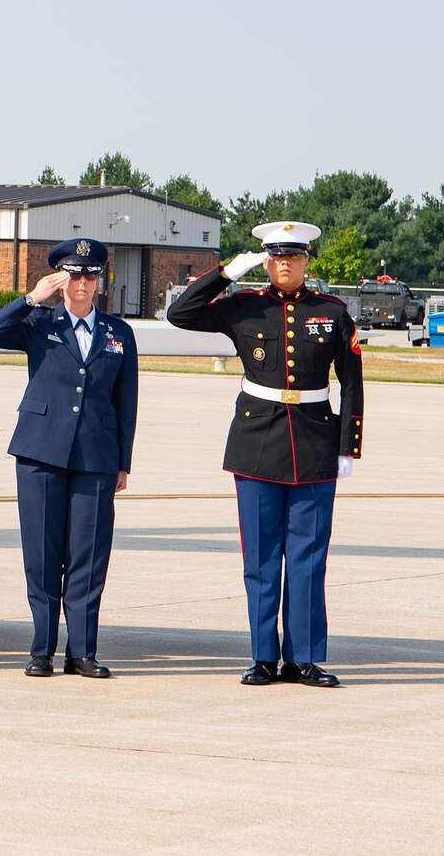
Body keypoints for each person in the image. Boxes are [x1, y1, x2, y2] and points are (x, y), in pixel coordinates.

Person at [167, 221, 363, 688]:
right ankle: (262, 657)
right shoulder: (242, 308)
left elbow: (352, 382)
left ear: (306, 262)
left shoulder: (332, 312)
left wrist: (347, 446)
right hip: (256, 444)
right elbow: (181, 312)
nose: (284, 265)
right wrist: (226, 274)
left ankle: (305, 659)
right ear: (266, 261)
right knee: (260, 560)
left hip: (315, 442)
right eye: (275, 257)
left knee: (308, 559)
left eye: (293, 257)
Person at [0, 239, 137, 679]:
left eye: (89, 275)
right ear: (60, 278)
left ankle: (82, 651)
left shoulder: (118, 332)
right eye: (73, 275)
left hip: (96, 455)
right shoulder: (38, 321)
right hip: (40, 451)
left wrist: (123, 460)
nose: (82, 283)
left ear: (99, 279)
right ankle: (41, 650)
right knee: (43, 555)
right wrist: (32, 297)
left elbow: (127, 401)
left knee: (88, 556)